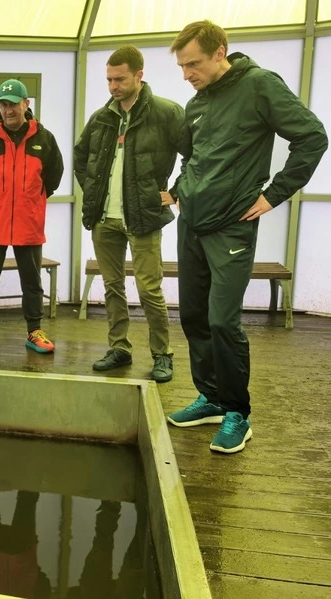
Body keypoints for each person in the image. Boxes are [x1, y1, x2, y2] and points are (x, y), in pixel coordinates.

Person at [166, 21, 327, 453]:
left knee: (222, 320)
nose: (187, 75)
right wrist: (181, 190)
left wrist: (274, 194)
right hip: (191, 224)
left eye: (193, 64)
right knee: (194, 317)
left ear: (220, 52)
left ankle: (237, 412)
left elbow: (312, 137)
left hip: (232, 225)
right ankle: (211, 398)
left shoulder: (259, 85)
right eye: (182, 67)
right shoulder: (198, 102)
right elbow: (192, 157)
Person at [74, 46, 184, 383]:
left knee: (149, 289)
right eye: (109, 79)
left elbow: (196, 155)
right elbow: (81, 158)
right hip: (104, 219)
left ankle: (162, 354)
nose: (113, 86)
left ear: (139, 75)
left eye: (120, 79)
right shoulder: (101, 117)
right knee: (112, 286)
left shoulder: (166, 113)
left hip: (143, 217)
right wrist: (94, 192)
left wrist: (176, 191)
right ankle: (119, 348)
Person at [0, 78, 64, 354]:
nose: (9, 110)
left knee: (32, 281)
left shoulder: (44, 139)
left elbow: (54, 176)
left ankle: (34, 331)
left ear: (26, 104)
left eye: (13, 104)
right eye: (3, 104)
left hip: (28, 221)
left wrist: (32, 198)